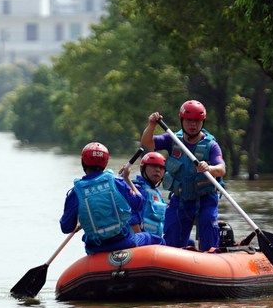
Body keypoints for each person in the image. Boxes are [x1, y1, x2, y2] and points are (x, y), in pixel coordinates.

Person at [140, 100, 226, 251]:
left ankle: (210, 255)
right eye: (189, 120)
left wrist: (210, 168)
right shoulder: (172, 139)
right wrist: (152, 125)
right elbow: (147, 142)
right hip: (180, 199)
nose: (193, 125)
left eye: (197, 121)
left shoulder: (211, 145)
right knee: (172, 235)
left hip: (205, 199)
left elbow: (221, 169)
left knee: (208, 224)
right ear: (182, 120)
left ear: (202, 122)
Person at [60, 142, 164, 255]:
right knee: (156, 239)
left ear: (83, 162)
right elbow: (139, 202)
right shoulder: (116, 183)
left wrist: (82, 220)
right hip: (123, 243)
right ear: (105, 162)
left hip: (95, 248)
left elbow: (66, 227)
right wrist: (126, 178)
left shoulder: (75, 193)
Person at [130, 152, 168, 238]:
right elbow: (131, 217)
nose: (158, 170)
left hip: (156, 239)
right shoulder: (137, 189)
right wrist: (139, 241)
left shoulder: (157, 193)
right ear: (143, 168)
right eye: (154, 166)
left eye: (161, 168)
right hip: (141, 239)